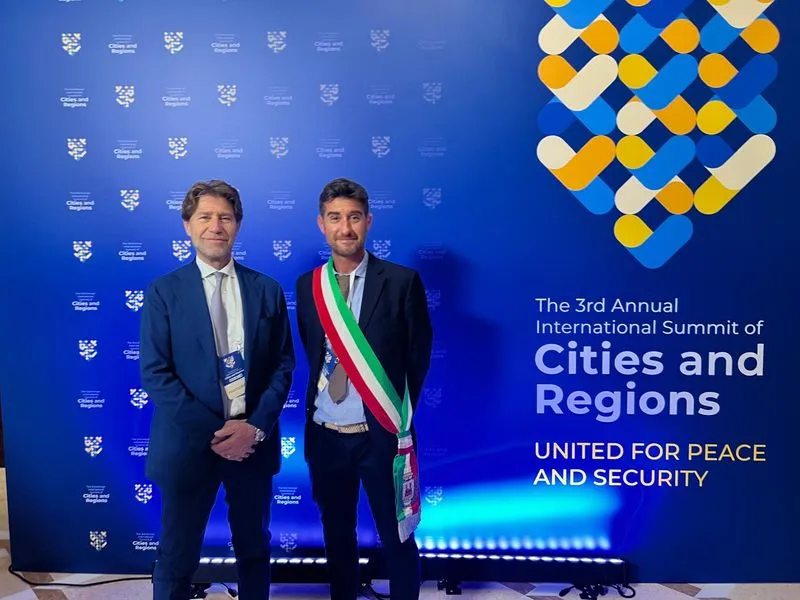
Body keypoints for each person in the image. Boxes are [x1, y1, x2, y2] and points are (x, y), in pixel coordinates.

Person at [139, 180, 295, 600]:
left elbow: (283, 366)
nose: (215, 226)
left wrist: (253, 429)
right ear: (187, 225)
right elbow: (155, 373)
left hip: (251, 443)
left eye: (225, 217)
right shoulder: (164, 291)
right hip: (188, 445)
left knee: (254, 549)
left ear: (238, 225)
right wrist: (217, 434)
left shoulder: (266, 289)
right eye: (205, 217)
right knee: (176, 555)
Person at [295, 177, 433, 600]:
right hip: (326, 436)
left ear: (368, 221)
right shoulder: (308, 287)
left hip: (381, 436)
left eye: (354, 217)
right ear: (321, 224)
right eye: (335, 218)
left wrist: (393, 418)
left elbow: (417, 359)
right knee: (337, 537)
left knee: (398, 538)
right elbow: (314, 354)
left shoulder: (401, 281)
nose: (345, 228)